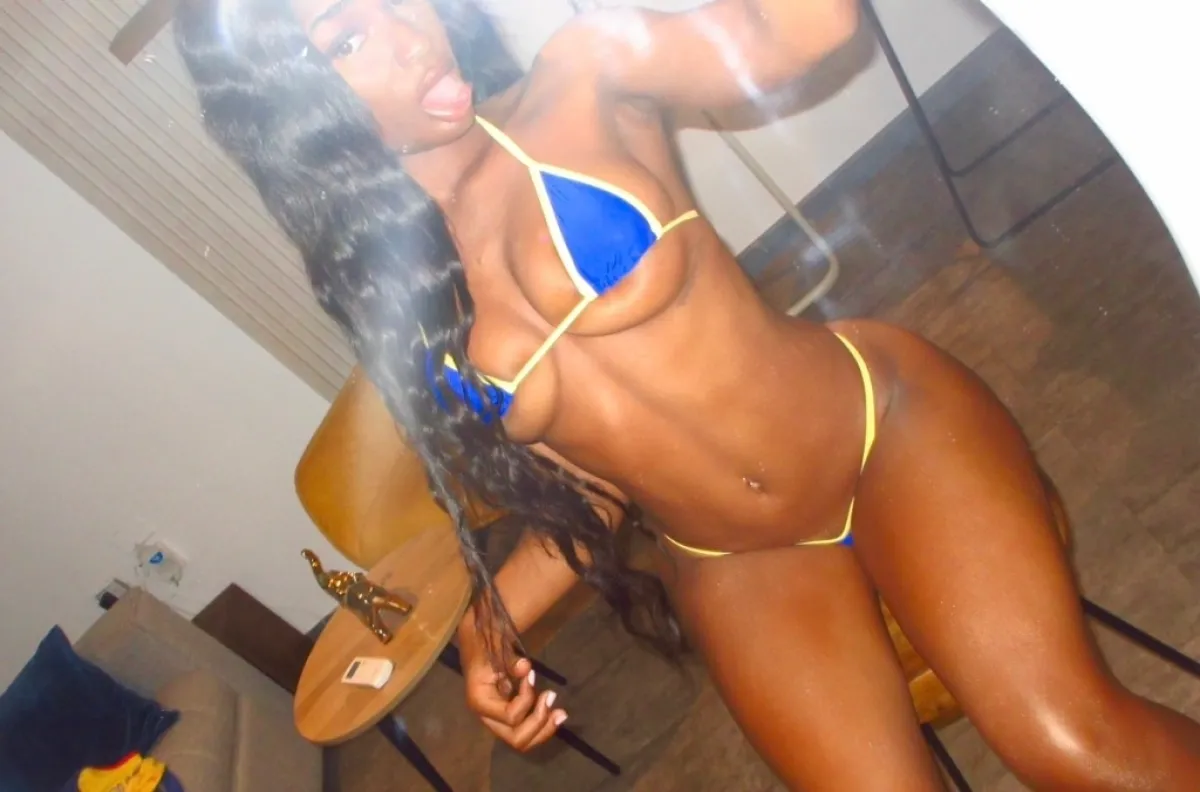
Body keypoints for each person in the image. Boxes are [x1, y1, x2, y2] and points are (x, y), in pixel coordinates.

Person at [175, 1, 1200, 788]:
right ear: (290, 114)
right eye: (349, 38)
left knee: (1074, 747)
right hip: (739, 563)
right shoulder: (414, 309)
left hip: (876, 430)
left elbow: (809, 27)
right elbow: (593, 483)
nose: (413, 35)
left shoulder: (580, 76)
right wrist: (488, 631)